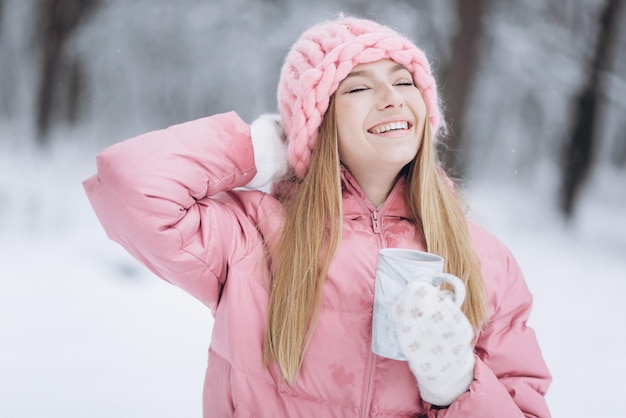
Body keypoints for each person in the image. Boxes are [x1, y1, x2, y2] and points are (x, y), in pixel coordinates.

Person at [83, 15, 551, 417]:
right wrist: (258, 147)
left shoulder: (483, 259)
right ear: (317, 120)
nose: (392, 97)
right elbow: (130, 187)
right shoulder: (253, 236)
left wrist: (457, 384)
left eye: (404, 80)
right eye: (360, 86)